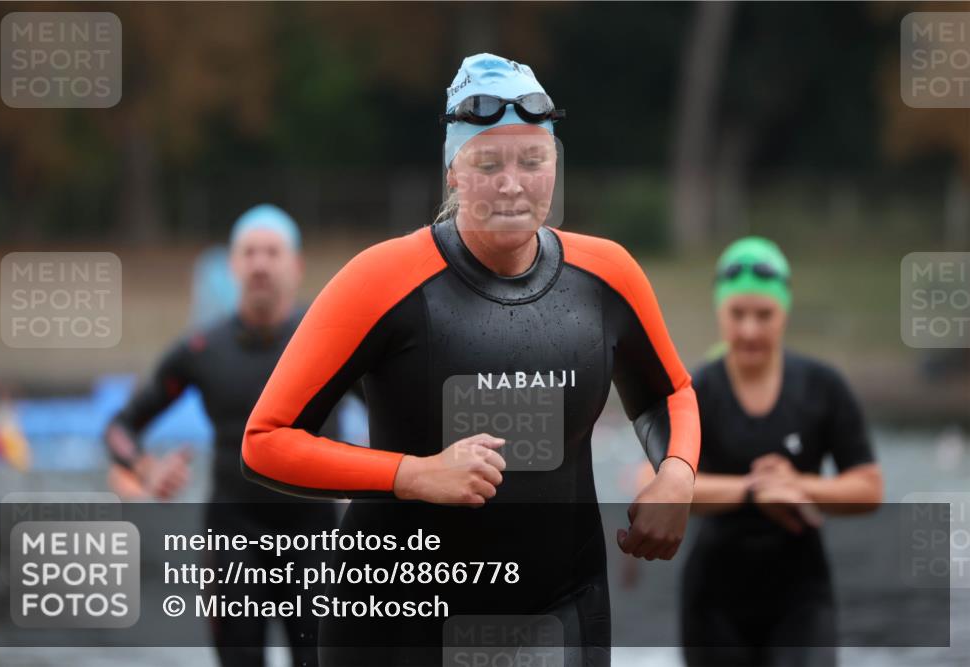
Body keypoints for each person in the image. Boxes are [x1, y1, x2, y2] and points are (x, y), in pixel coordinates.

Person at [242, 53, 701, 667]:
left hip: (561, 606)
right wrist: (413, 474)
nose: (513, 184)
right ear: (454, 172)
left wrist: (676, 473)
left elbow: (670, 392)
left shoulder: (606, 275)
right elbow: (267, 439)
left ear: (555, 166)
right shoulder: (383, 279)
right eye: (488, 163)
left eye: (533, 161)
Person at [103, 204, 345, 667]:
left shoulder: (331, 343)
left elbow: (396, 415)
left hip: (316, 540)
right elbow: (120, 428)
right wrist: (145, 468)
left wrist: (381, 475)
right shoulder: (202, 350)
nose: (259, 264)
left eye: (272, 253)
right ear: (232, 265)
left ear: (294, 267)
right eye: (249, 253)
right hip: (232, 538)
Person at [640, 236, 884, 667]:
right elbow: (651, 488)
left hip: (801, 598)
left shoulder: (823, 388)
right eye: (738, 314)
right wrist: (752, 490)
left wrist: (797, 486)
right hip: (713, 603)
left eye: (764, 314)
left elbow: (869, 487)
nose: (750, 329)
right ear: (720, 312)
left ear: (784, 311)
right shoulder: (696, 393)